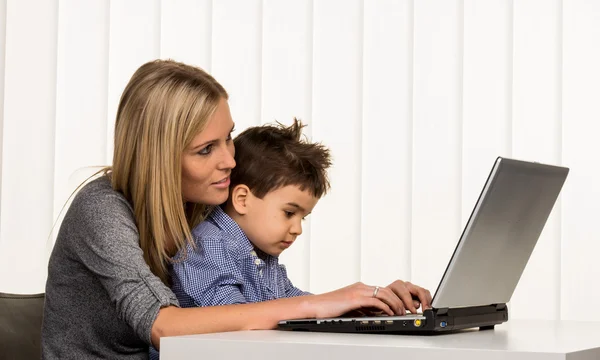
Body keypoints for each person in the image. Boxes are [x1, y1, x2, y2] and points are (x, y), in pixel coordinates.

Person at [41, 59, 431, 359]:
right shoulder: (101, 212)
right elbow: (162, 324)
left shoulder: (202, 208)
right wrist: (320, 304)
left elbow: (265, 299)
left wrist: (367, 307)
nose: (230, 159)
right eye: (206, 149)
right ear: (159, 158)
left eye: (228, 138)